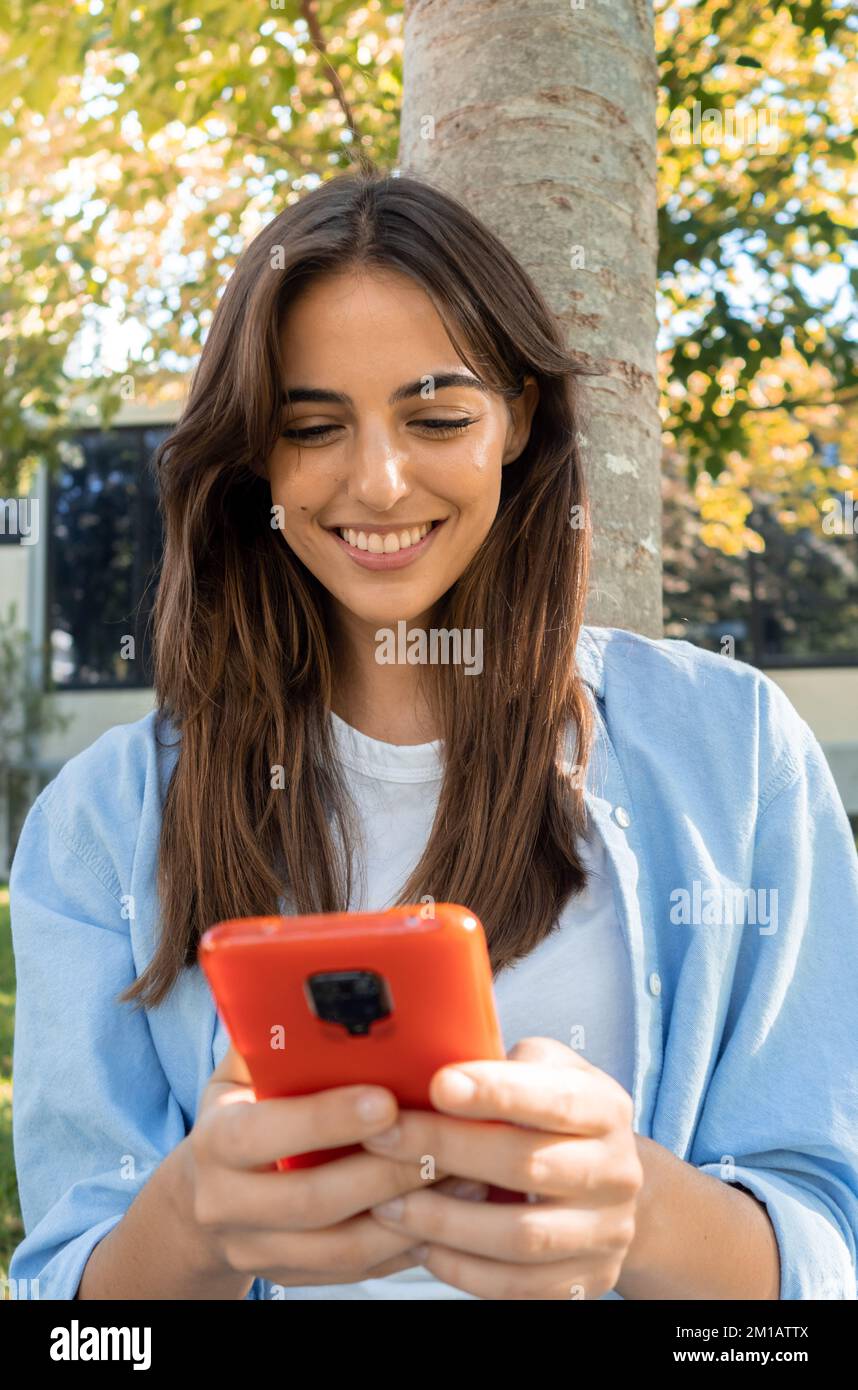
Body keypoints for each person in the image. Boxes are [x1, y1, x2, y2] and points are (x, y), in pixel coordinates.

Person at [9, 167, 858, 1301]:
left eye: (438, 416)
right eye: (313, 427)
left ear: (513, 417)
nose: (379, 480)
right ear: (255, 453)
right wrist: (190, 1230)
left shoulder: (736, 749)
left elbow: (824, 1267)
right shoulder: (101, 825)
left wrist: (646, 1214)